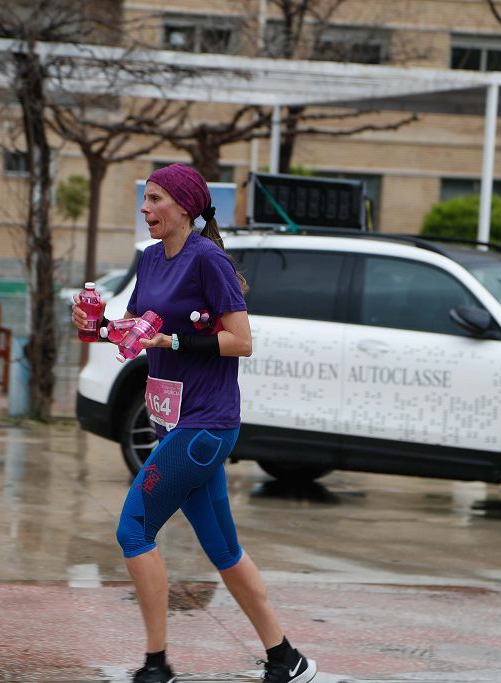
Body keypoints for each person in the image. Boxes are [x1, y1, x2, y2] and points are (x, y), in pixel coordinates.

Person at [73, 164, 317, 683]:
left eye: (154, 198)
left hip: (205, 425)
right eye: (144, 198)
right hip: (171, 421)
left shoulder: (208, 261)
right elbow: (139, 331)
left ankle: (156, 664)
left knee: (133, 528)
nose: (145, 208)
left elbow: (241, 340)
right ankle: (286, 657)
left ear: (184, 206)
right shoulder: (150, 259)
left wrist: (176, 341)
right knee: (224, 549)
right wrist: (98, 328)